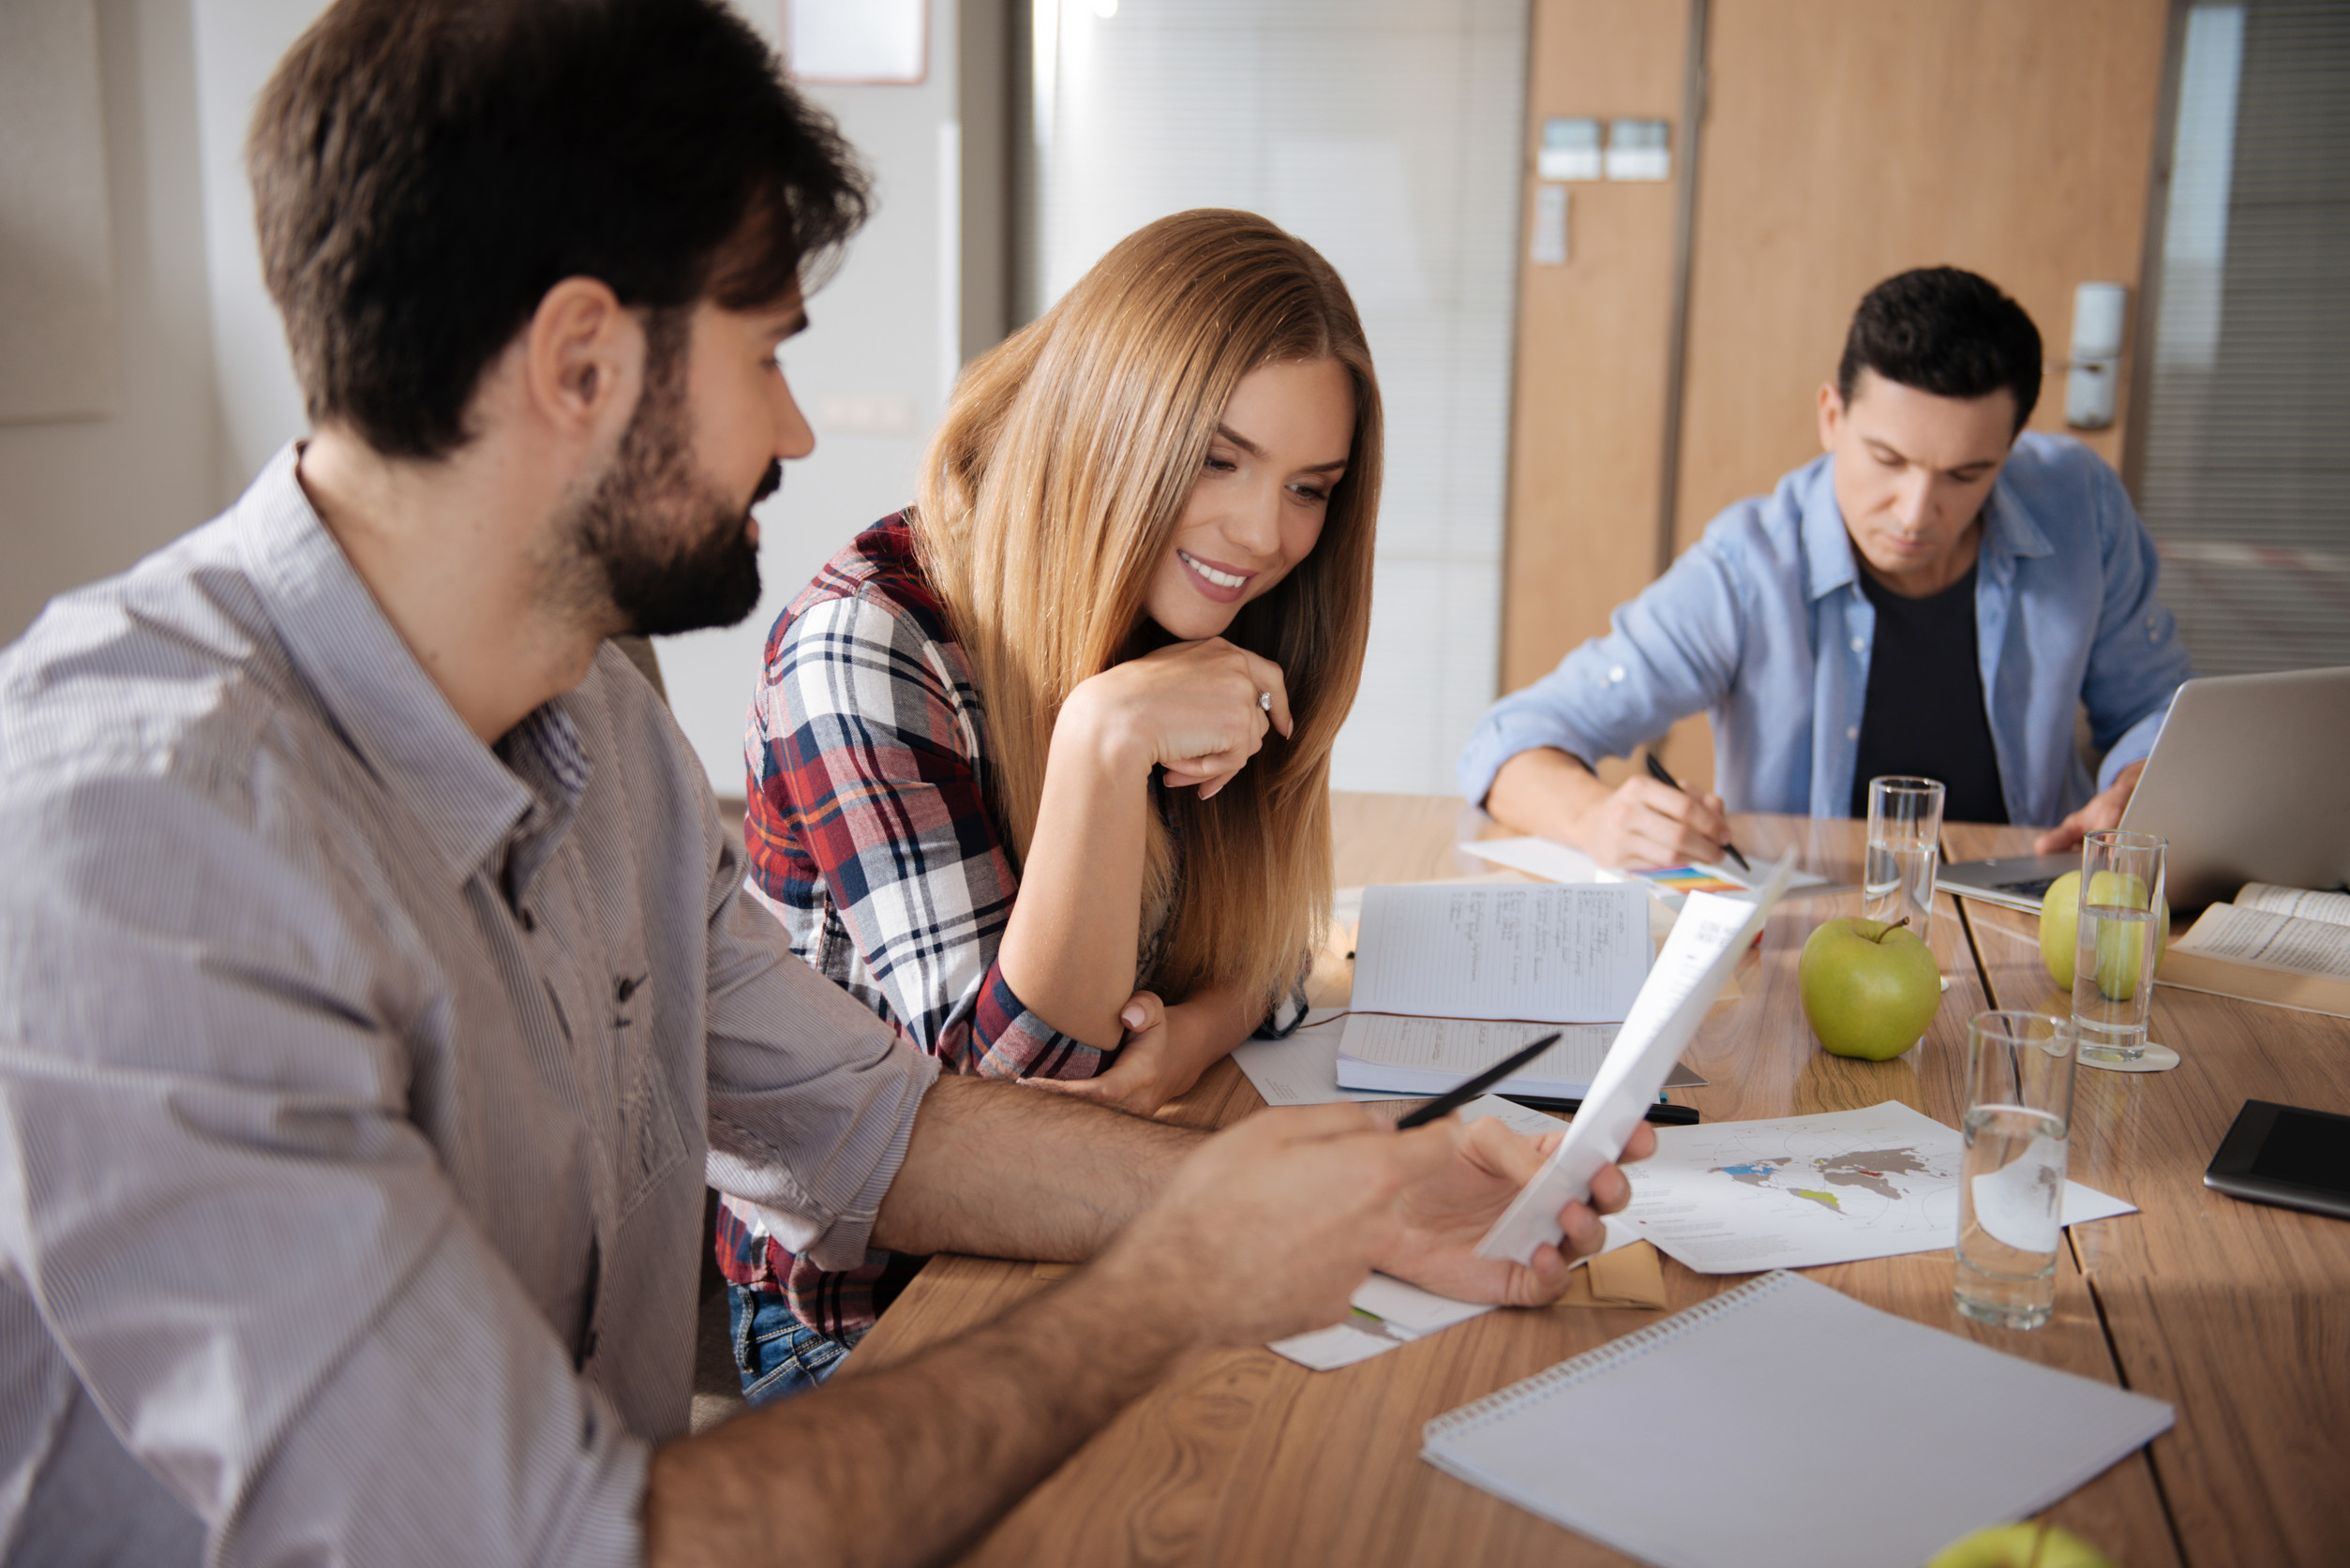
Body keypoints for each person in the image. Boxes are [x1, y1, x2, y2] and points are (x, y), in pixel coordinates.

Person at [0, 3, 1650, 1563]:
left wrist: (1340, 1196)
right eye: (769, 352)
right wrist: (1168, 1280)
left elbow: (878, 1126)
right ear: (582, 362)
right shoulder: (138, 825)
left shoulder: (602, 729)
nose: (795, 429)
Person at [719, 209, 1379, 1398]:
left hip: (1104, 1217)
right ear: (1109, 421)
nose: (1264, 533)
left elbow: (1277, 942)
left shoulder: (1202, 612)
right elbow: (1000, 1101)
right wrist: (1101, 743)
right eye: (1218, 459)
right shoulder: (867, 642)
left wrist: (1190, 1028)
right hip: (876, 1316)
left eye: (1309, 487)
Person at [1462, 267, 2193, 869]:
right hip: (1804, 933)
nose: (1915, 512)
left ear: (2009, 448)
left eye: (1965, 474)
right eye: (1887, 460)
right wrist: (1597, 817)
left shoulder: (2078, 502)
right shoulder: (1747, 566)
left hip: (2033, 920)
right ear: (1830, 416)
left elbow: (2154, 708)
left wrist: (2137, 783)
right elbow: (1509, 740)